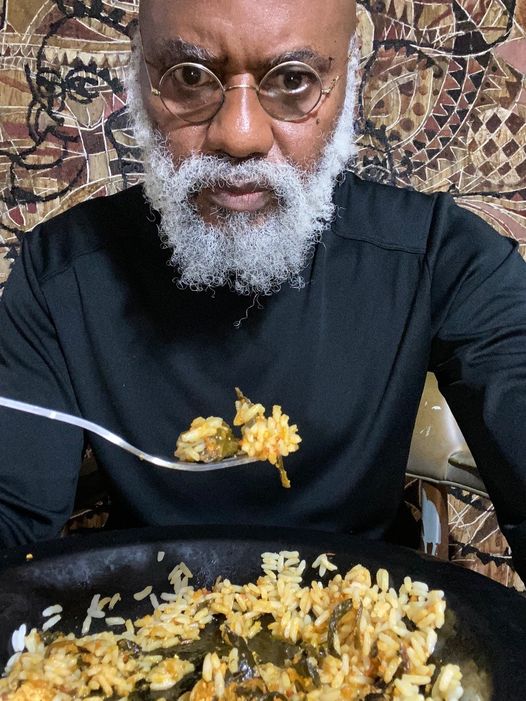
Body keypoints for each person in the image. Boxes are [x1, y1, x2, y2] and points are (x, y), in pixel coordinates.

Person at [0, 0, 525, 581]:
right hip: (138, 632)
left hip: (364, 630)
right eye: (191, 78)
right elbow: (9, 524)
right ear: (139, 79)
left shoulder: (440, 254)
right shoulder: (57, 275)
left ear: (346, 84)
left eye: (295, 80)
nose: (239, 136)